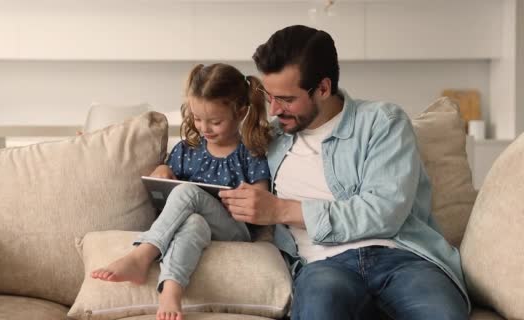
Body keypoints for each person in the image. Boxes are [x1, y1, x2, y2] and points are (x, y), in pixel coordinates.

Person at [219, 25, 470, 320]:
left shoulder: (382, 122)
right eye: (268, 95)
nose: (274, 110)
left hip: (401, 258)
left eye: (286, 99)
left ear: (323, 89)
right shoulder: (267, 141)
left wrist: (281, 210)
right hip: (323, 266)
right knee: (319, 310)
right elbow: (214, 168)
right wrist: (168, 170)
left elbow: (383, 212)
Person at [91, 63, 271, 320]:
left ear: (240, 112)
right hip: (199, 228)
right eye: (198, 119)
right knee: (194, 221)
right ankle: (171, 292)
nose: (204, 128)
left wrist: (243, 198)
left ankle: (142, 254)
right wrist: (162, 171)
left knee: (188, 192)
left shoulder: (250, 152)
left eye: (216, 121)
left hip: (234, 229)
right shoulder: (188, 149)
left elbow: (260, 203)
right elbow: (167, 195)